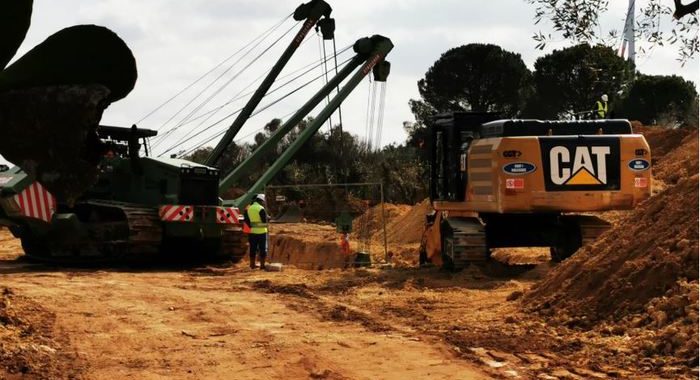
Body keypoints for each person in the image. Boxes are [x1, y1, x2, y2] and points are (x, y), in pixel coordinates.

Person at [244, 194, 268, 270]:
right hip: (261, 232)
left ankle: (252, 265)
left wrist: (251, 227)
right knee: (262, 249)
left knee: (253, 248)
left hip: (252, 232)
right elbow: (264, 221)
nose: (264, 203)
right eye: (263, 201)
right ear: (261, 201)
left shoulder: (249, 208)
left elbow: (247, 221)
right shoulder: (261, 208)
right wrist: (267, 219)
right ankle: (262, 265)